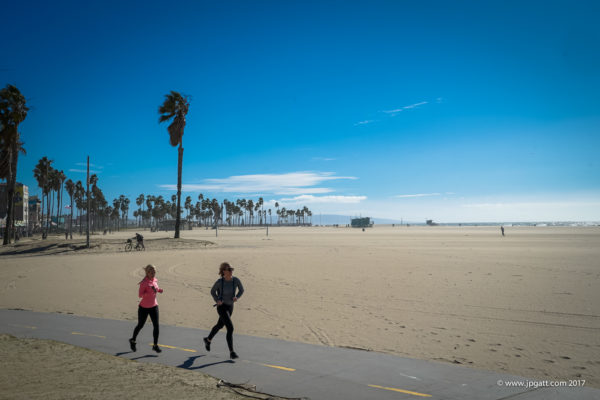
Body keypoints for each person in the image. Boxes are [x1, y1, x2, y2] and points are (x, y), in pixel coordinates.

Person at [204, 262, 245, 359]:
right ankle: (232, 352)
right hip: (221, 307)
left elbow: (242, 290)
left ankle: (208, 339)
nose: (231, 271)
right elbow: (212, 291)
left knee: (220, 325)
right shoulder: (220, 282)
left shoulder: (235, 280)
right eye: (229, 269)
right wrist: (217, 300)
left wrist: (237, 297)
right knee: (230, 328)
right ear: (224, 271)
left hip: (230, 307)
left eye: (232, 269)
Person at [129, 264, 163, 353]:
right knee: (140, 325)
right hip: (144, 307)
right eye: (151, 272)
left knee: (156, 326)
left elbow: (156, 288)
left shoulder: (154, 280)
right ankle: (132, 340)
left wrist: (159, 290)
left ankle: (155, 345)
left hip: (154, 306)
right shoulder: (144, 283)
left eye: (154, 272)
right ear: (147, 273)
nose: (153, 274)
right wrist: (148, 293)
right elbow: (140, 295)